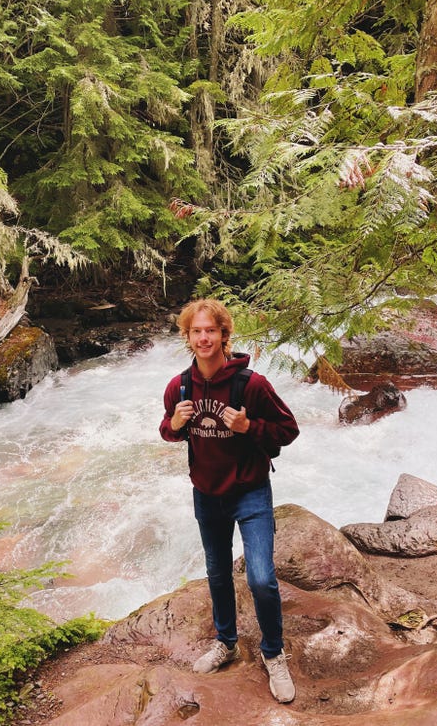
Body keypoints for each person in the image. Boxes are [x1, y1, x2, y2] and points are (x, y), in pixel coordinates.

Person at [159, 298, 300, 704]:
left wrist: (249, 425)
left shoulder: (250, 385)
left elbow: (288, 430)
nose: (204, 338)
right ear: (188, 337)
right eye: (196, 331)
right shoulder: (179, 386)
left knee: (259, 577)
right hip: (206, 493)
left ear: (224, 335)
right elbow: (168, 431)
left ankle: (273, 652)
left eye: (211, 331)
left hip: (251, 492)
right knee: (218, 573)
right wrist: (175, 423)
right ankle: (227, 642)